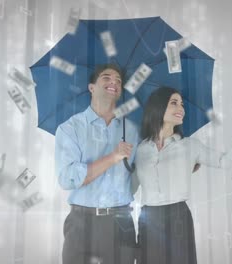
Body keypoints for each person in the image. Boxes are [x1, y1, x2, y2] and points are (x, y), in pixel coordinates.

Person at [133, 87, 232, 264]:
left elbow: (224, 161)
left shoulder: (190, 146)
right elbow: (131, 185)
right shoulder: (140, 149)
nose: (181, 109)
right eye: (174, 103)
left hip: (177, 216)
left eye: (182, 104)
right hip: (149, 218)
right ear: (158, 107)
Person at [55, 64, 139, 264]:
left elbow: (139, 172)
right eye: (107, 78)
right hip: (81, 223)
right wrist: (112, 157)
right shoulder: (69, 128)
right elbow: (67, 178)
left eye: (118, 80)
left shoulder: (132, 130)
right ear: (91, 87)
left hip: (121, 222)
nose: (114, 82)